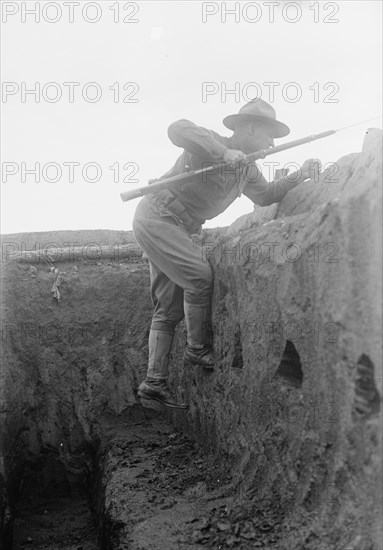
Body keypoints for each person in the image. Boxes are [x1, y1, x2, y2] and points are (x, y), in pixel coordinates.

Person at [133, 98, 321, 409]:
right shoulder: (211, 144)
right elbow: (177, 128)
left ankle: (154, 383)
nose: (272, 142)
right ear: (250, 127)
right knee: (199, 276)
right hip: (158, 216)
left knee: (168, 310)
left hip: (179, 228)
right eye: (269, 134)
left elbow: (266, 196)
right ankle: (196, 349)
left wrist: (298, 175)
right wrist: (223, 153)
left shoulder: (247, 169)